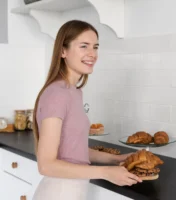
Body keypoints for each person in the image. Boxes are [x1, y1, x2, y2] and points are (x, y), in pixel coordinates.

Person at [32, 20, 142, 200]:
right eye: (84, 46)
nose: (92, 54)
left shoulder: (73, 92)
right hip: (58, 193)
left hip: (73, 191)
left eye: (95, 47)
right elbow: (46, 165)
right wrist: (105, 172)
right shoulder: (57, 94)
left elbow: (74, 150)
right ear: (63, 51)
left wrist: (116, 159)